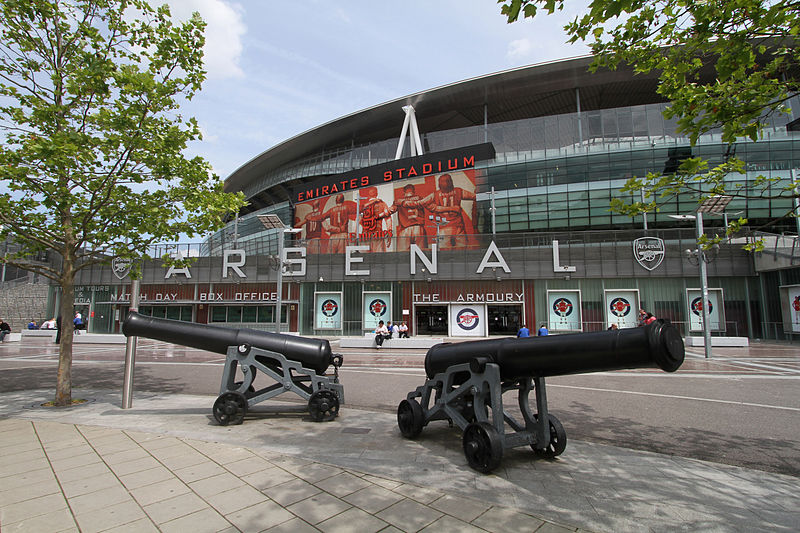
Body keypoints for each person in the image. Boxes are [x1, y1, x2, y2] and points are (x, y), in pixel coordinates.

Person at [388, 183, 428, 251]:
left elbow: (390, 210)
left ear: (404, 192)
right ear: (413, 191)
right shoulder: (420, 198)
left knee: (403, 255)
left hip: (405, 228)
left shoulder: (398, 201)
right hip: (418, 228)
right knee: (422, 253)